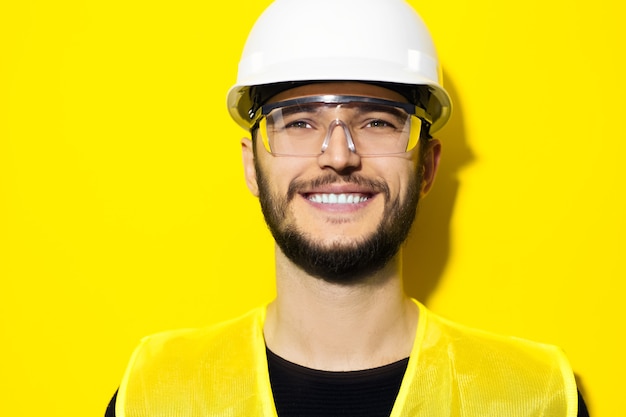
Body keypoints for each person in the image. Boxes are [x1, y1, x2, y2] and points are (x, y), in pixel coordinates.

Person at [107, 0, 589, 416]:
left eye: (378, 122)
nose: (338, 155)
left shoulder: (535, 398)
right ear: (252, 166)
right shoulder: (154, 397)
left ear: (426, 166)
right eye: (298, 123)